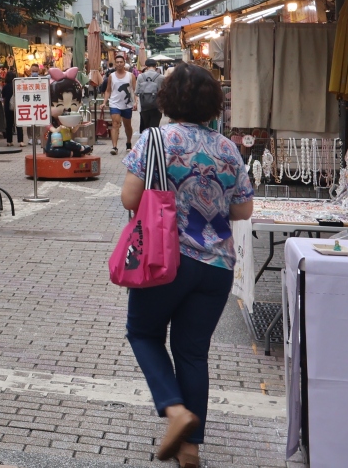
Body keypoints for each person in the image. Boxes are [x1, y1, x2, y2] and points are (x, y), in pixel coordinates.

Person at [121, 63, 253, 467]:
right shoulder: (228, 148)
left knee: (143, 333)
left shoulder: (155, 140)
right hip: (216, 266)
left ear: (168, 98)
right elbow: (243, 210)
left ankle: (175, 409)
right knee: (193, 353)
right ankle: (190, 448)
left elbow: (130, 199)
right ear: (212, 102)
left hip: (164, 259)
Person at [102, 53, 136, 155]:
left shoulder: (130, 76)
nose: (119, 64)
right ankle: (114, 147)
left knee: (127, 125)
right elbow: (108, 90)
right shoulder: (111, 76)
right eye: (117, 62)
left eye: (121, 62)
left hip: (127, 104)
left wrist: (136, 102)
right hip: (114, 103)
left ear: (124, 63)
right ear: (115, 64)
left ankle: (128, 143)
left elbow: (135, 90)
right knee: (115, 124)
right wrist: (104, 102)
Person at [137, 60, 164, 133]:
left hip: (144, 105)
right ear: (156, 66)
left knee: (146, 126)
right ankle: (153, 139)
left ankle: (147, 139)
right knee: (155, 126)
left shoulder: (140, 76)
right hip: (157, 105)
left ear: (146, 66)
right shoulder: (161, 77)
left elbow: (137, 91)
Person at [0, 65, 17, 146]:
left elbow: (3, 96)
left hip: (7, 107)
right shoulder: (16, 86)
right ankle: (21, 141)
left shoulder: (5, 86)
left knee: (9, 124)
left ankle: (9, 141)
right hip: (16, 107)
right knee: (18, 124)